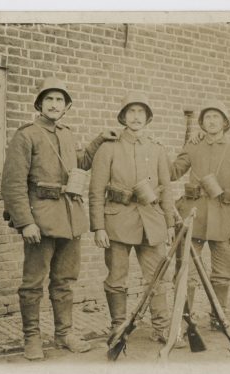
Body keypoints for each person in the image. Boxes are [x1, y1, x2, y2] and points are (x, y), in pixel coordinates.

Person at [1, 77, 116, 360]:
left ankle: (64, 334)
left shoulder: (66, 133)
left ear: (66, 107)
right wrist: (25, 222)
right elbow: (12, 184)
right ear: (40, 104)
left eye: (60, 100)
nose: (54, 105)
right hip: (40, 220)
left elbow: (79, 164)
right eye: (49, 99)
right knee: (33, 284)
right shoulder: (25, 135)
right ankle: (32, 338)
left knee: (64, 281)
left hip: (70, 219)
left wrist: (101, 137)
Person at [89, 91, 176, 344]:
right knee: (116, 278)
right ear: (123, 116)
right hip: (117, 221)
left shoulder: (157, 149)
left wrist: (169, 222)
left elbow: (167, 188)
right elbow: (95, 190)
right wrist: (98, 227)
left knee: (158, 276)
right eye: (131, 112)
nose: (136, 117)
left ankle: (161, 328)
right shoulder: (108, 148)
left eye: (141, 112)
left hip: (152, 221)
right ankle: (118, 328)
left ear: (148, 118)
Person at [169, 100, 230, 334]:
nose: (212, 121)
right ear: (202, 123)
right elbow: (173, 172)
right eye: (207, 117)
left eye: (216, 117)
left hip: (225, 220)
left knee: (223, 272)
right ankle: (184, 323)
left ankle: (219, 319)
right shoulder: (193, 146)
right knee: (187, 274)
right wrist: (158, 155)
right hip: (193, 218)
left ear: (225, 122)